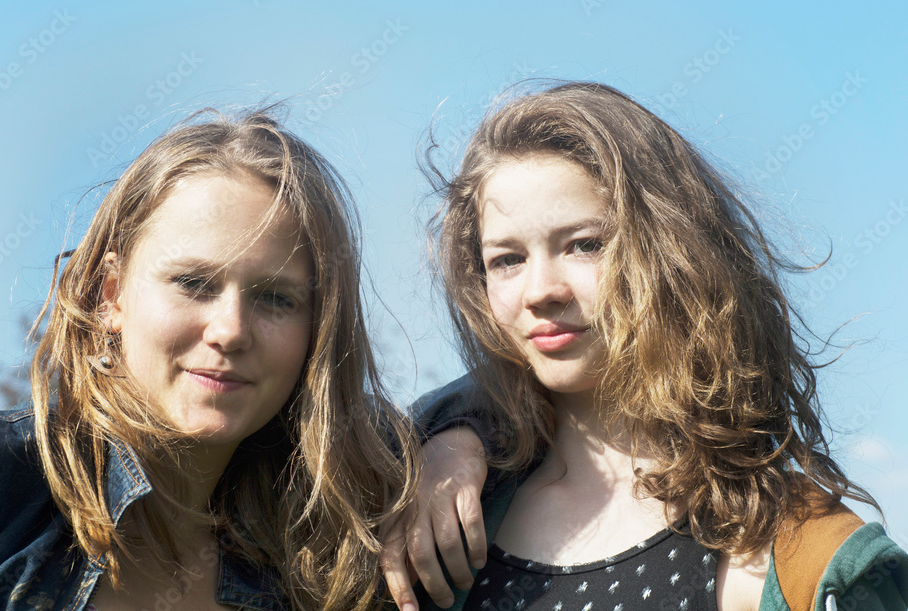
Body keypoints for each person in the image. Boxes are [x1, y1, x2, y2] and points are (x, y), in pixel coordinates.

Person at [382, 82, 908, 610]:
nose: (540, 290)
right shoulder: (428, 505)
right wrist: (443, 434)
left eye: (585, 245)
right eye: (507, 260)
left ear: (673, 251)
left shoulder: (797, 554)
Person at [0, 108, 416, 610]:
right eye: (193, 284)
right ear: (111, 295)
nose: (231, 331)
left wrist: (459, 440)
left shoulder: (335, 558)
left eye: (276, 298)